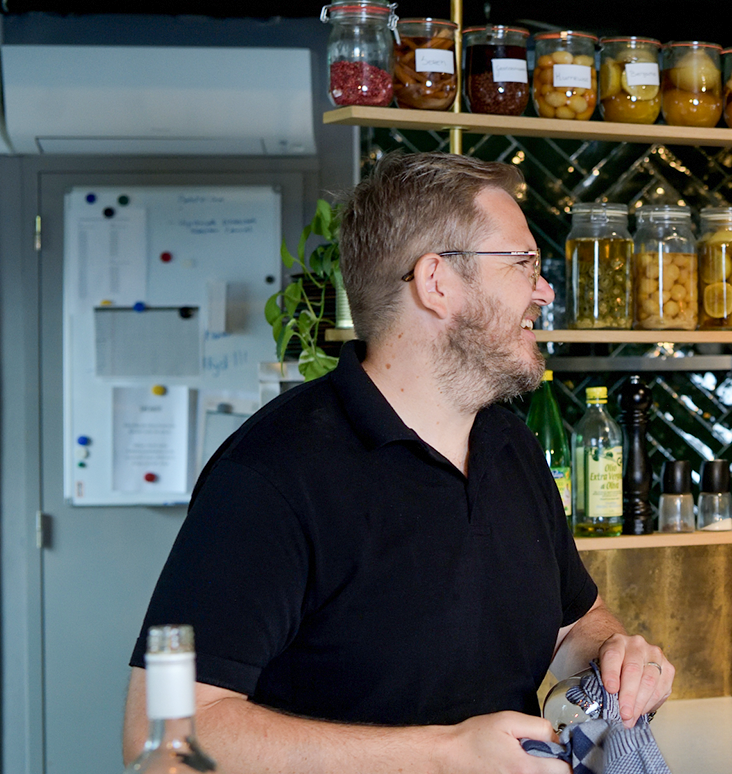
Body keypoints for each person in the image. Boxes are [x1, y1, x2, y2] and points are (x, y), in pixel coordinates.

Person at [121, 152, 674, 773]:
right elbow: (165, 738)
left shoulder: (511, 447)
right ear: (437, 281)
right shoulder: (272, 473)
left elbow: (572, 625)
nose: (544, 291)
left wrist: (615, 653)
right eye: (523, 263)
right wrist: (442, 755)